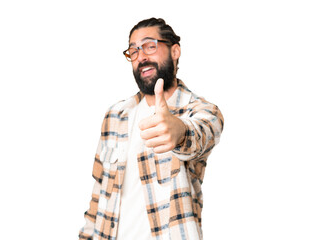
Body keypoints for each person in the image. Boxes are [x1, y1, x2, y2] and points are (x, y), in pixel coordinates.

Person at [79, 17, 224, 240]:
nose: (141, 57)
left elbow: (200, 134)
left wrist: (178, 132)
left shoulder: (201, 111)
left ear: (175, 51)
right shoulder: (115, 116)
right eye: (134, 51)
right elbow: (98, 194)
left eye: (150, 46)